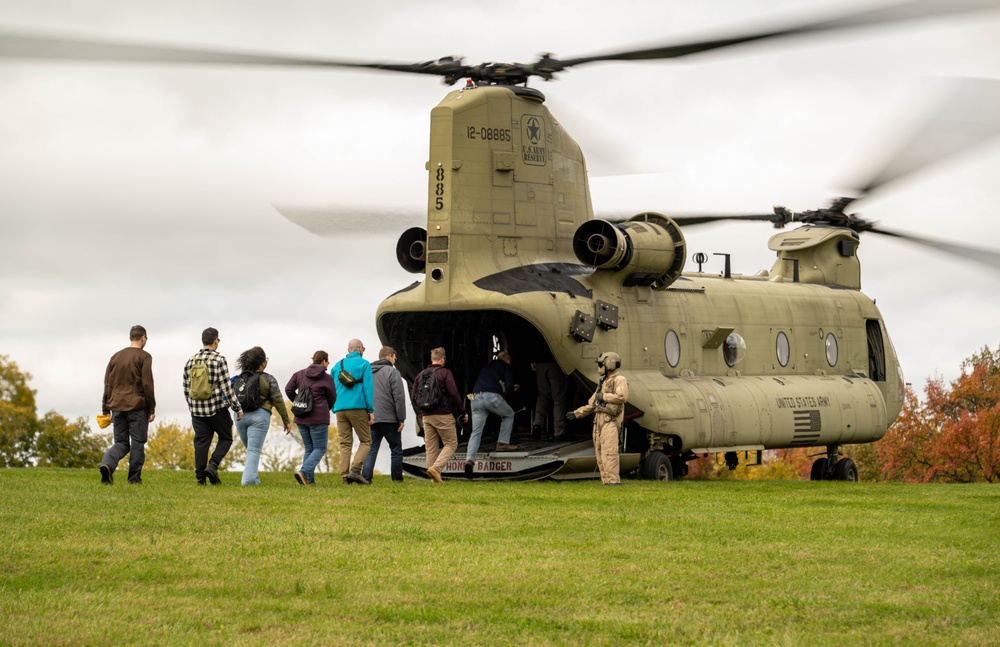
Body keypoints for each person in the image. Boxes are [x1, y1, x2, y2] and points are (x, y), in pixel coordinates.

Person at [183, 327, 242, 485]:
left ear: (203, 341)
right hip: (216, 408)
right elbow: (226, 388)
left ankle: (200, 478)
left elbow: (186, 387)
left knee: (201, 442)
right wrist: (237, 408)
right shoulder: (219, 360)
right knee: (226, 437)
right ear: (216, 340)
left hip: (197, 410)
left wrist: (192, 407)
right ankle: (213, 465)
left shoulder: (191, 360)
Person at [99, 325, 155, 485]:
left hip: (116, 407)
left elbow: (107, 383)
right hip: (137, 407)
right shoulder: (144, 357)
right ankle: (134, 480)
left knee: (121, 443)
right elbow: (147, 384)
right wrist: (151, 408)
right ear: (143, 338)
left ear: (131, 337)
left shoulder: (115, 357)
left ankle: (107, 464)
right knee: (137, 443)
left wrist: (105, 408)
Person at [566, 351, 629, 486]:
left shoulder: (620, 380)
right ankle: (606, 481)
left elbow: (622, 397)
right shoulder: (603, 382)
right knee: (600, 454)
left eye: (601, 364)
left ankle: (613, 481)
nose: (600, 367)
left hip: (609, 422)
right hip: (598, 422)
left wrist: (604, 397)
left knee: (610, 453)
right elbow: (593, 403)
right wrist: (578, 413)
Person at [232, 346, 291, 486]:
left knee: (251, 450)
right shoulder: (268, 379)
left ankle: (254, 478)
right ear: (262, 363)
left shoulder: (239, 379)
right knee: (253, 450)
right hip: (259, 417)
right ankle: (249, 481)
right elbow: (278, 400)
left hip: (239, 417)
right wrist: (286, 420)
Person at [412, 346, 467, 483]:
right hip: (442, 414)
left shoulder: (421, 375)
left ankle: (434, 479)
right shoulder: (445, 373)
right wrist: (462, 411)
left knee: (431, 448)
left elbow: (414, 397)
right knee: (451, 444)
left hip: (427, 416)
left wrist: (421, 412)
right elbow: (454, 393)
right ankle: (436, 469)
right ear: (442, 359)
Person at [285, 350, 338, 485]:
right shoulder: (327, 378)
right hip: (319, 418)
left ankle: (309, 480)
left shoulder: (299, 374)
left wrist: (298, 402)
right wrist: (325, 408)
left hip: (301, 417)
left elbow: (288, 389)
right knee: (320, 449)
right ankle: (304, 471)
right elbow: (333, 397)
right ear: (324, 361)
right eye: (328, 362)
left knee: (309, 448)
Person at [464, 350, 517, 477]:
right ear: (508, 359)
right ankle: (502, 443)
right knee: (509, 414)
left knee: (476, 432)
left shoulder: (487, 366)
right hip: (492, 398)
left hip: (476, 398)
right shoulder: (507, 367)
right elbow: (509, 386)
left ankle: (469, 460)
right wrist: (511, 392)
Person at [332, 338, 374, 485]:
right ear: (360, 349)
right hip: (357, 407)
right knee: (366, 440)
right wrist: (371, 410)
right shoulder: (364, 364)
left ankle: (345, 477)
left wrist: (334, 407)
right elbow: (368, 389)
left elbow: (332, 389)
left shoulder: (337, 366)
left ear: (349, 349)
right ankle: (355, 471)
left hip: (340, 409)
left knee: (345, 443)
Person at [362, 346, 407, 482]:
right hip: (390, 419)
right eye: (395, 357)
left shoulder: (368, 371)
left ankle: (366, 478)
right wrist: (401, 418)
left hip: (372, 417)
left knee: (371, 448)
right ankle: (397, 479)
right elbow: (398, 397)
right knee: (396, 448)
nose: (395, 360)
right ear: (389, 356)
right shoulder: (392, 372)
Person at [531, 347, 568, 441]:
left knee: (542, 396)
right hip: (556, 361)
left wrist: (533, 360)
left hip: (540, 363)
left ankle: (537, 424)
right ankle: (559, 431)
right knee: (558, 398)